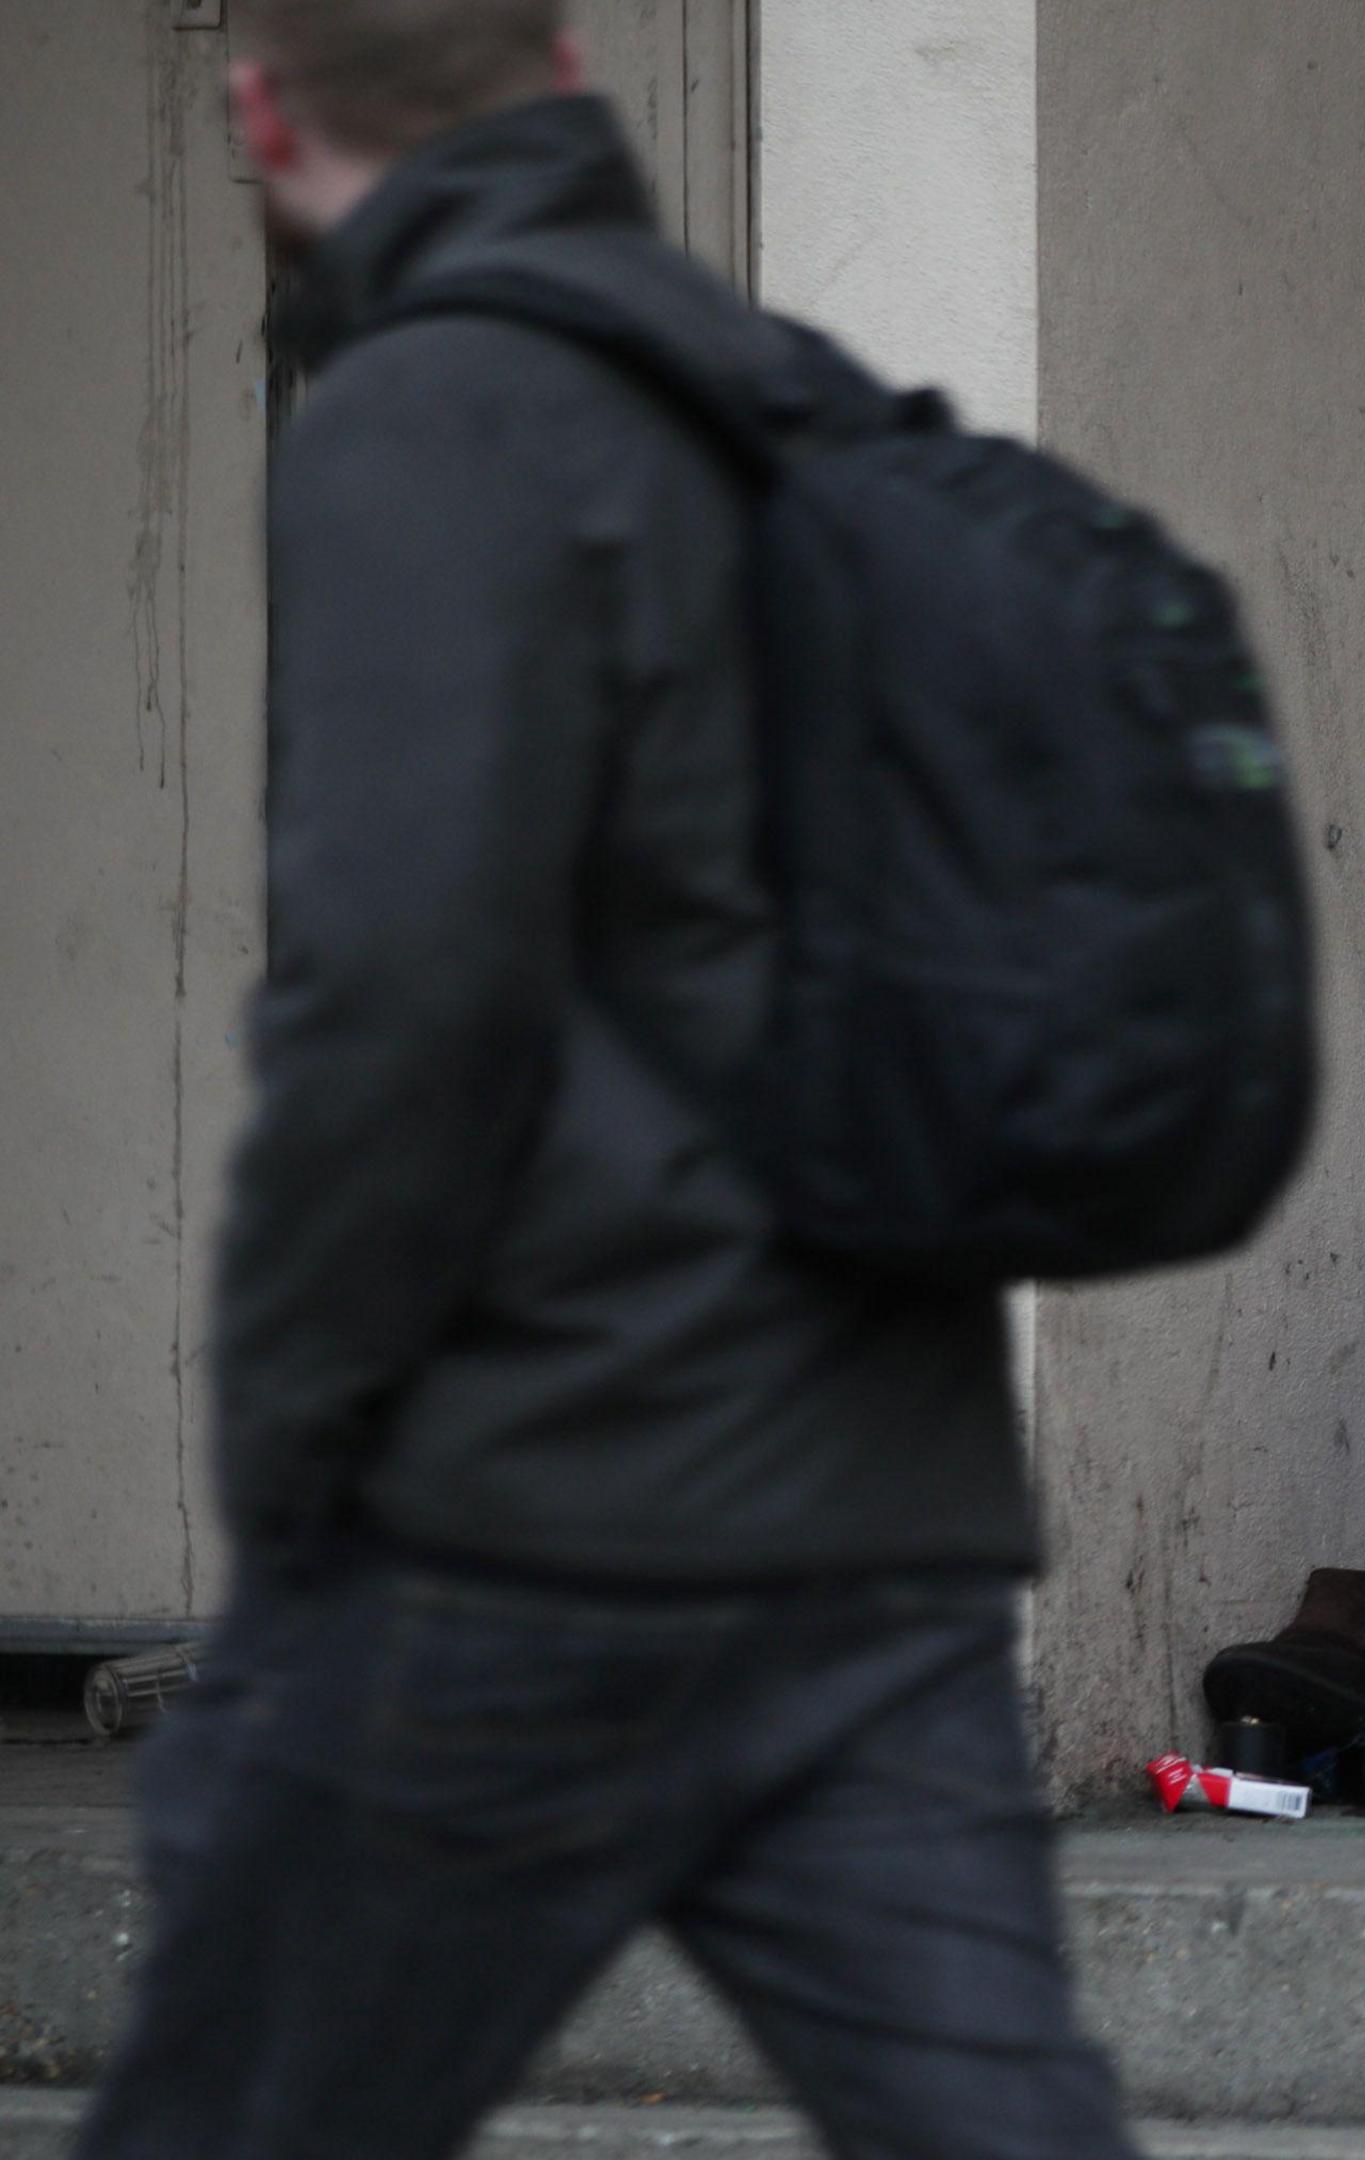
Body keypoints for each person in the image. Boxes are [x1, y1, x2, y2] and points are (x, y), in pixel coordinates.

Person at [74, 4, 1141, 2154]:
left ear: (262, 115)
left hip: (536, 1518)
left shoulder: (426, 416)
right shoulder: (799, 402)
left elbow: (398, 996)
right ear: (569, 71)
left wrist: (294, 1464)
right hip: (881, 1510)